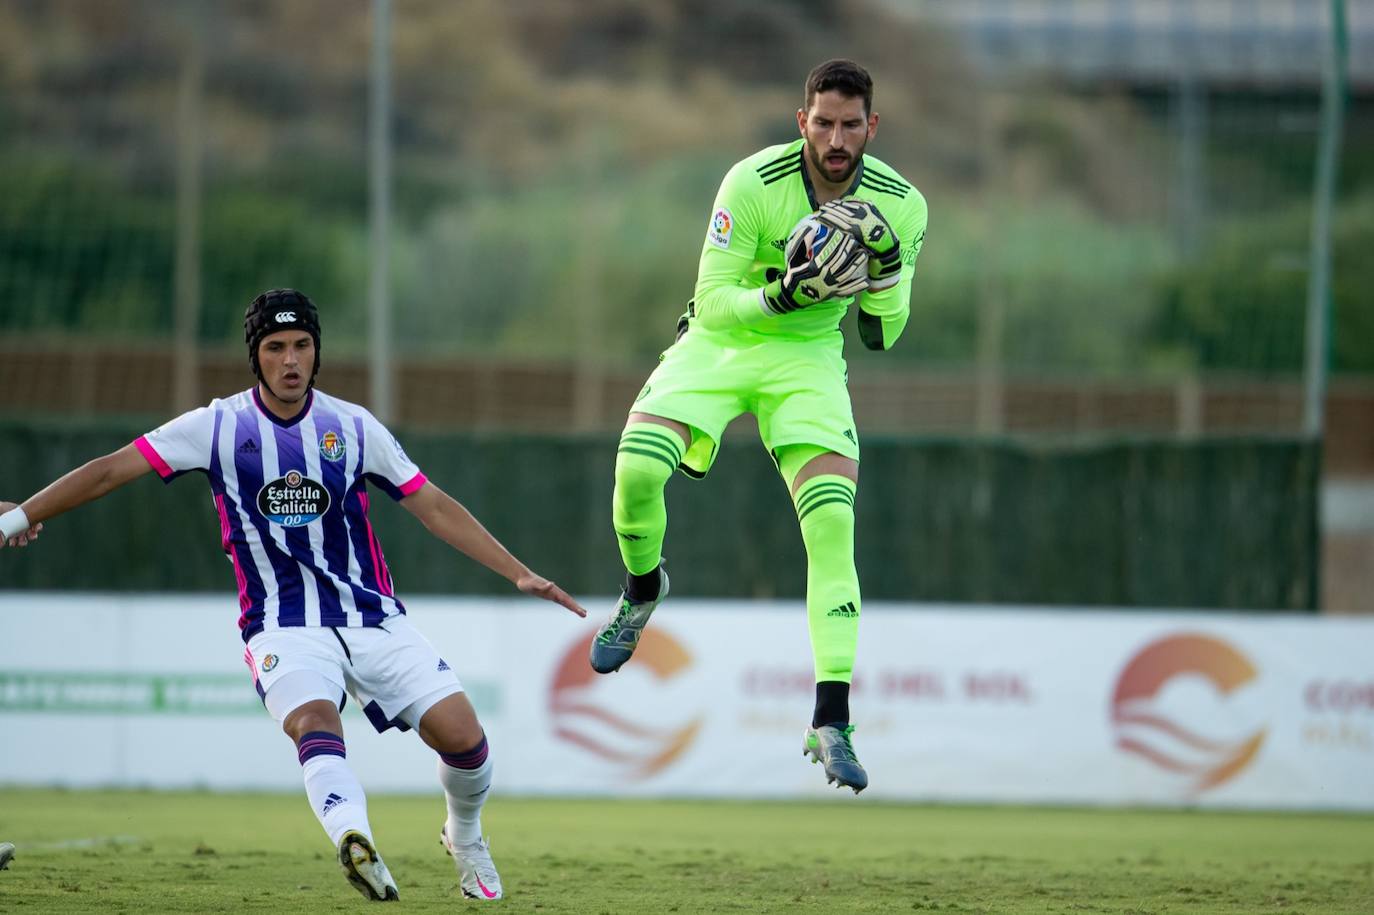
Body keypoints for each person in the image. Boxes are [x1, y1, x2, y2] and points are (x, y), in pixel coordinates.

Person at [0, 289, 586, 902]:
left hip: (371, 618)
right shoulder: (216, 426)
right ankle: (354, 839)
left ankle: (464, 837)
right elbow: (108, 470)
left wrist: (519, 573)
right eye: (275, 347)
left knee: (465, 741)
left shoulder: (353, 426)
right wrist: (16, 519)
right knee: (314, 722)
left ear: (316, 352)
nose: (290, 360)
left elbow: (432, 506)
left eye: (301, 345)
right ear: (255, 356)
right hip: (281, 626)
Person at [588, 59, 927, 794]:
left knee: (832, 524)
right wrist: (780, 295)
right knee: (637, 468)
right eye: (823, 123)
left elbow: (881, 335)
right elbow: (711, 302)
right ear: (801, 120)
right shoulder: (752, 181)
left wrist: (887, 268)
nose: (835, 139)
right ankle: (642, 590)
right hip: (724, 340)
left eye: (850, 125)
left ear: (872, 126)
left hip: (808, 357)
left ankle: (832, 719)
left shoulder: (901, 204)